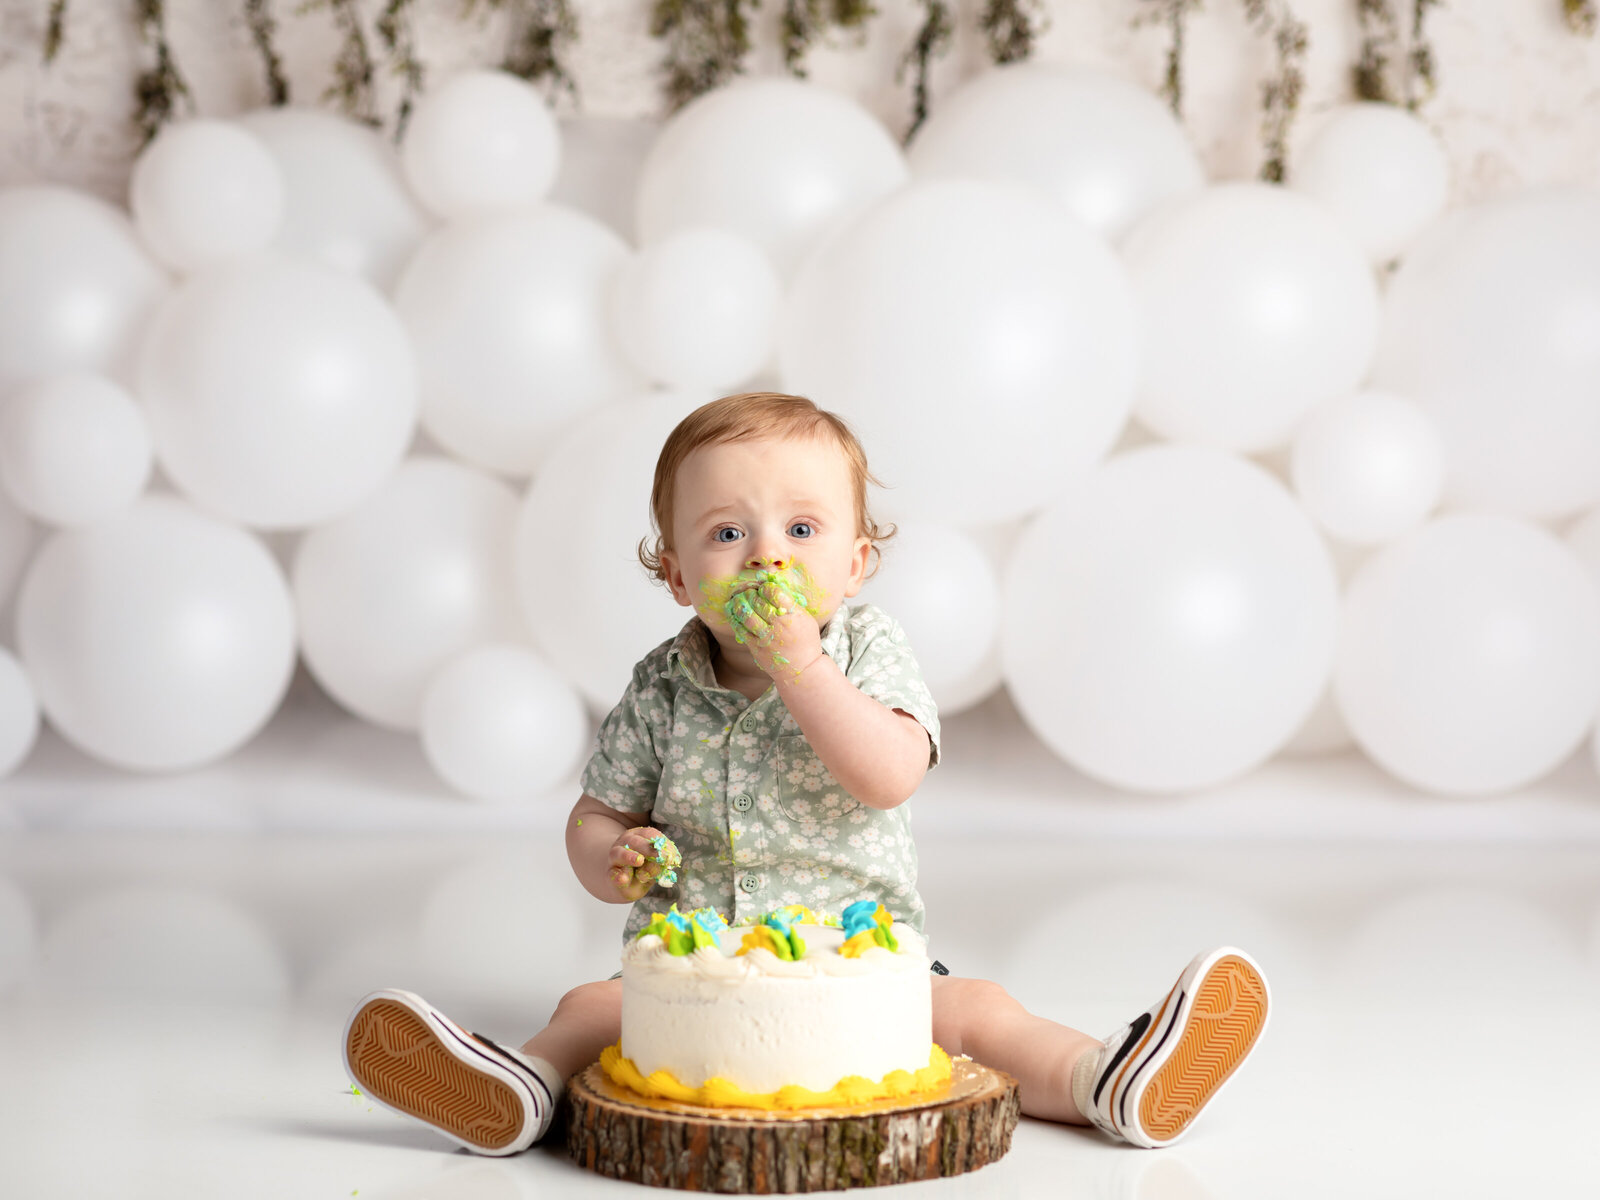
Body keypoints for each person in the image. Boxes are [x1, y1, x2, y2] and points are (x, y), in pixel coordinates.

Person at [342, 391, 1269, 1156]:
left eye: (799, 527)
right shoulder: (664, 684)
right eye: (726, 534)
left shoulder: (867, 653)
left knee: (978, 1011)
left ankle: (1108, 1079)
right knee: (590, 1007)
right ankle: (519, 1091)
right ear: (674, 573)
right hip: (695, 974)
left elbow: (890, 774)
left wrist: (803, 668)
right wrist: (611, 855)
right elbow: (595, 814)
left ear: (857, 561)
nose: (767, 556)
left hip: (862, 968)